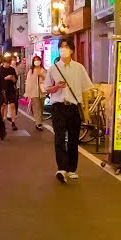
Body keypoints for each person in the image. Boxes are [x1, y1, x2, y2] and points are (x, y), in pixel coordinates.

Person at [44, 38, 93, 183]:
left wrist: (86, 111)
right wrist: (56, 87)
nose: (63, 49)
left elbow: (85, 90)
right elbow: (47, 88)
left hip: (74, 107)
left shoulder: (79, 68)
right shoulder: (53, 68)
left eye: (66, 47)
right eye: (61, 47)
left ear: (71, 50)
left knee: (73, 139)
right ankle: (61, 168)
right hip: (58, 106)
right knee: (59, 138)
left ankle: (72, 169)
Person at [24, 55, 47, 131]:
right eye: (35, 60)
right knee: (36, 107)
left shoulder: (44, 70)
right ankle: (38, 123)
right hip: (34, 92)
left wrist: (41, 75)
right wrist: (28, 93)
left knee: (41, 107)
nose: (37, 61)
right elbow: (28, 82)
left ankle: (39, 121)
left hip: (42, 91)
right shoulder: (31, 71)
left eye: (38, 59)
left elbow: (47, 80)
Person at [1, 56, 20, 132]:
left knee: (12, 105)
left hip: (11, 89)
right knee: (3, 106)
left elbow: (15, 80)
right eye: (7, 63)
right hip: (3, 90)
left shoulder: (12, 69)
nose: (8, 64)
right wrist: (5, 78)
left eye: (9, 63)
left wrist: (12, 78)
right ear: (3, 62)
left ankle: (13, 122)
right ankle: (2, 121)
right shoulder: (0, 69)